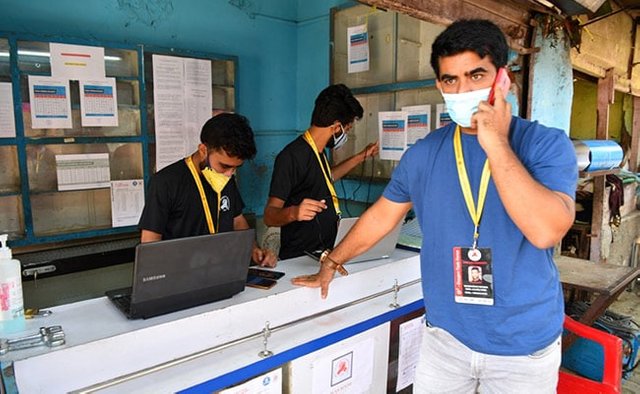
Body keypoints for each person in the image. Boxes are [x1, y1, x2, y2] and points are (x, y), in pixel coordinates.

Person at [292, 19, 577, 393]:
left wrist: (496, 144)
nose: (463, 90)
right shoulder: (425, 153)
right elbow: (382, 215)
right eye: (450, 80)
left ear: (503, 79)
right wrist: (332, 261)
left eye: (477, 75)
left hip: (521, 349)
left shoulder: (545, 144)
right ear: (439, 85)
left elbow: (546, 230)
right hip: (446, 340)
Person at [138, 113, 277, 267]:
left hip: (221, 271)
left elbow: (237, 220)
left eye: (236, 168)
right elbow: (150, 240)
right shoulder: (166, 182)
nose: (229, 173)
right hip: (180, 275)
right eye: (224, 166)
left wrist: (253, 250)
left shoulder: (225, 179)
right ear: (203, 150)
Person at [263, 84, 379, 259]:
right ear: (336, 127)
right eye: (347, 130)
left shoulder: (318, 152)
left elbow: (326, 177)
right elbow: (269, 216)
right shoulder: (291, 157)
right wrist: (294, 213)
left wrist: (362, 156)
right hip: (299, 257)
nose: (346, 135)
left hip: (324, 253)